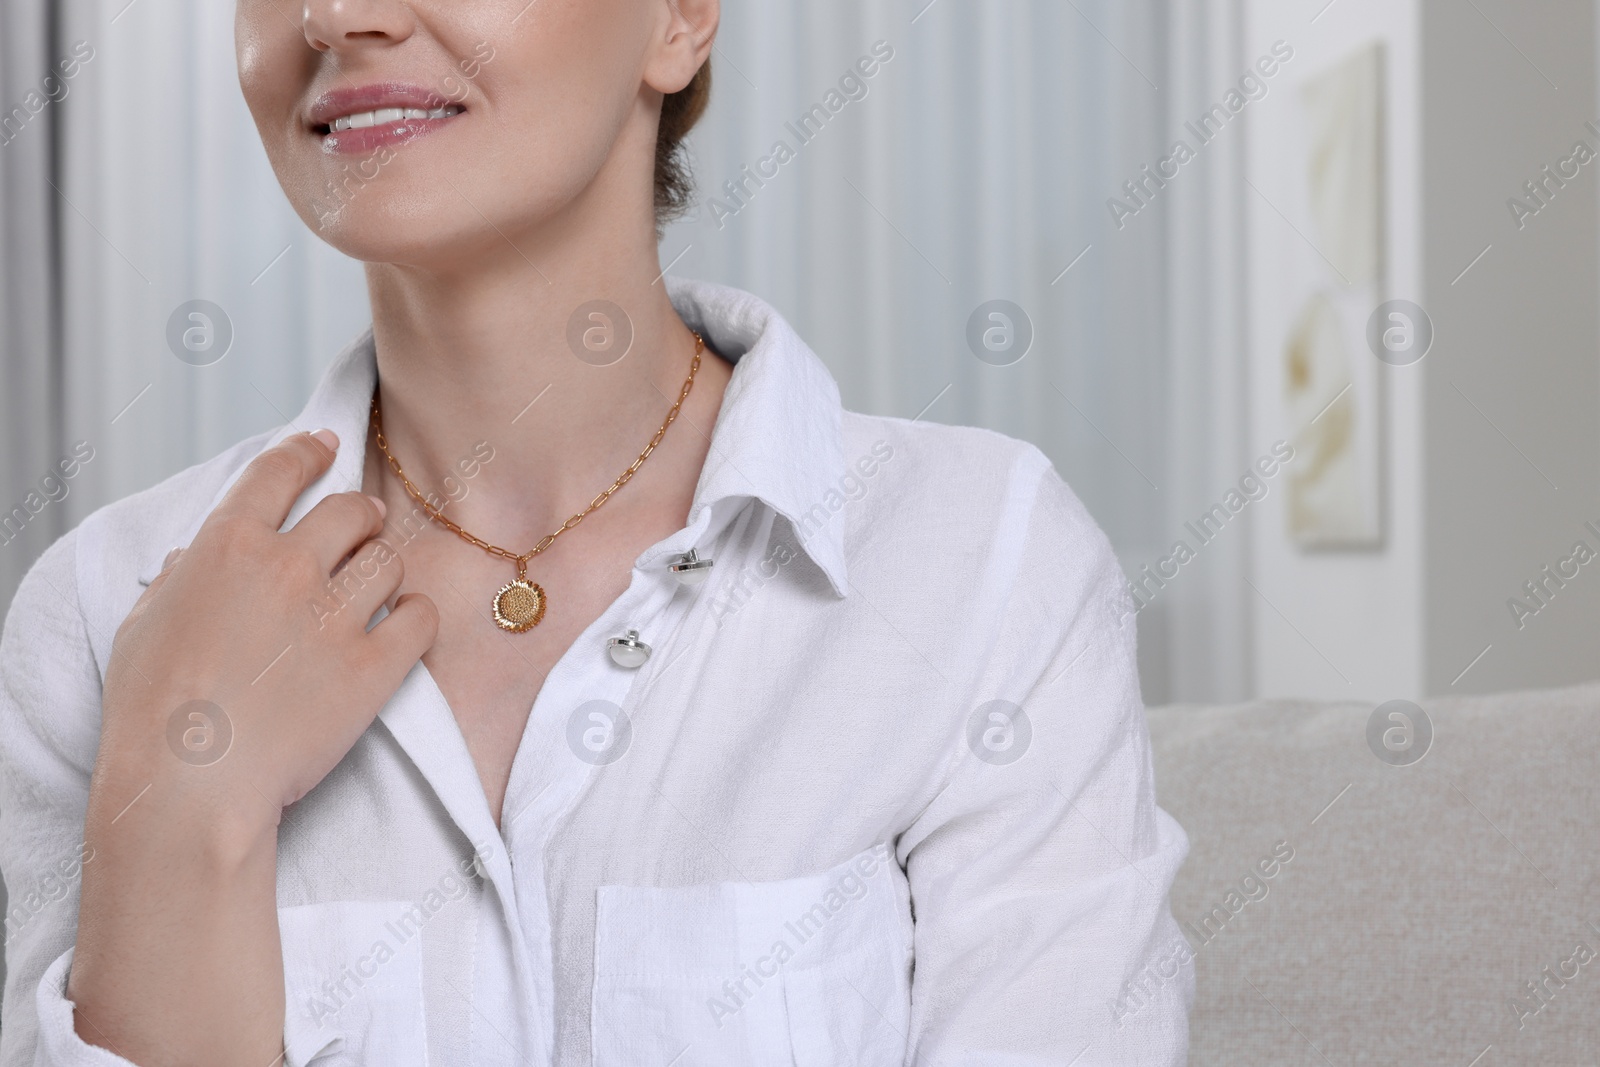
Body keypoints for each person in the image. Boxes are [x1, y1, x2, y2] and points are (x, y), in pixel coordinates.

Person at [0, 0, 1193, 1063]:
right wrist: (179, 807)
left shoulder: (982, 562)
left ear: (678, 21)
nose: (336, 15)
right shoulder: (105, 612)